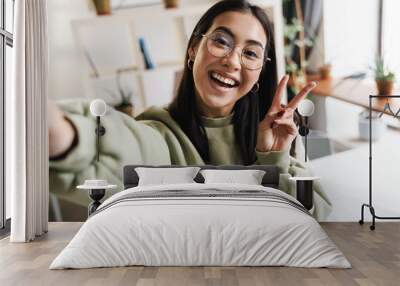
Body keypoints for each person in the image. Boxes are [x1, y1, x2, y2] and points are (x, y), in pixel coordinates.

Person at [49, 0, 331, 221]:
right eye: (222, 41)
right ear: (194, 48)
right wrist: (66, 134)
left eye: (250, 53)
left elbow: (315, 214)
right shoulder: (161, 134)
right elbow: (127, 145)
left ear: (259, 73)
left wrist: (274, 158)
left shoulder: (269, 138)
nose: (233, 61)